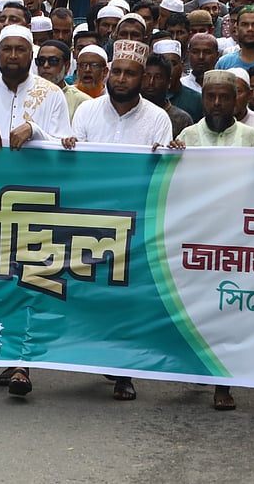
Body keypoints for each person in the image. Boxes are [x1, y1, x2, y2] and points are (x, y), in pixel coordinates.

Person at [0, 24, 71, 400]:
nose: (12, 56)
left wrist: (35, 130)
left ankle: (24, 362)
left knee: (30, 279)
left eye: (20, 50)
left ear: (31, 54)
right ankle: (7, 352)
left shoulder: (50, 94)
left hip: (34, 202)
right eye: (6, 49)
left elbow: (65, 149)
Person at [63, 39, 172, 403]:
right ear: (108, 74)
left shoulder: (157, 118)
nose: (122, 79)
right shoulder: (87, 113)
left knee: (128, 300)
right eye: (118, 72)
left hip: (136, 222)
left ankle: (125, 372)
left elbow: (161, 174)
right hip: (91, 218)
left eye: (131, 74)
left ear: (144, 78)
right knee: (92, 294)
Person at [175, 69, 254, 148]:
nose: (217, 103)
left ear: (234, 100)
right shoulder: (187, 136)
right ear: (202, 99)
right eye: (211, 97)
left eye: (224, 97)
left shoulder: (251, 137)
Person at [141, 52, 193, 137]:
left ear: (168, 82)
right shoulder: (131, 114)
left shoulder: (182, 120)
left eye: (158, 77)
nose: (151, 82)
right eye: (147, 76)